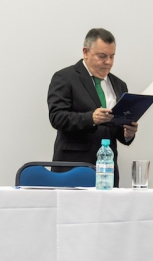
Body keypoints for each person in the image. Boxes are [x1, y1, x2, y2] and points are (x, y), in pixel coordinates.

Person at [47, 28, 138, 187]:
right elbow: (57, 117)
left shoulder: (119, 85)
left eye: (112, 56)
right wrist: (91, 118)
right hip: (73, 169)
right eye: (102, 56)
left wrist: (128, 133)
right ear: (86, 52)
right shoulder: (65, 77)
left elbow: (116, 128)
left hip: (107, 172)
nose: (108, 62)